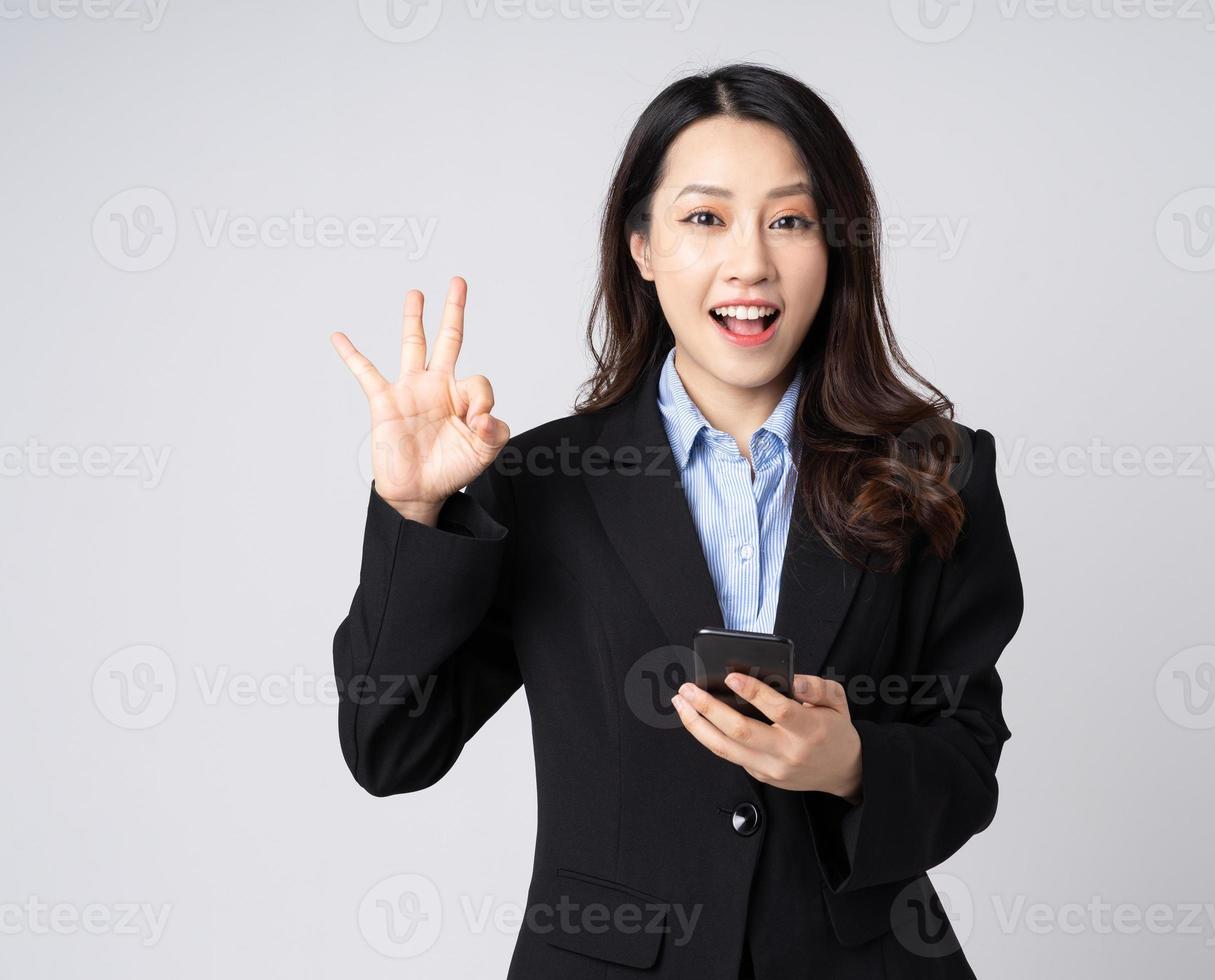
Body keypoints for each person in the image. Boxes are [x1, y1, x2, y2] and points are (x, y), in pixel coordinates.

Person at [330, 62, 1023, 979]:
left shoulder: (937, 471)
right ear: (641, 245)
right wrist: (413, 511)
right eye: (705, 218)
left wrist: (852, 765)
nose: (751, 263)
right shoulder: (542, 483)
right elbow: (390, 749)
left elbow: (965, 768)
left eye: (790, 219)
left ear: (836, 242)